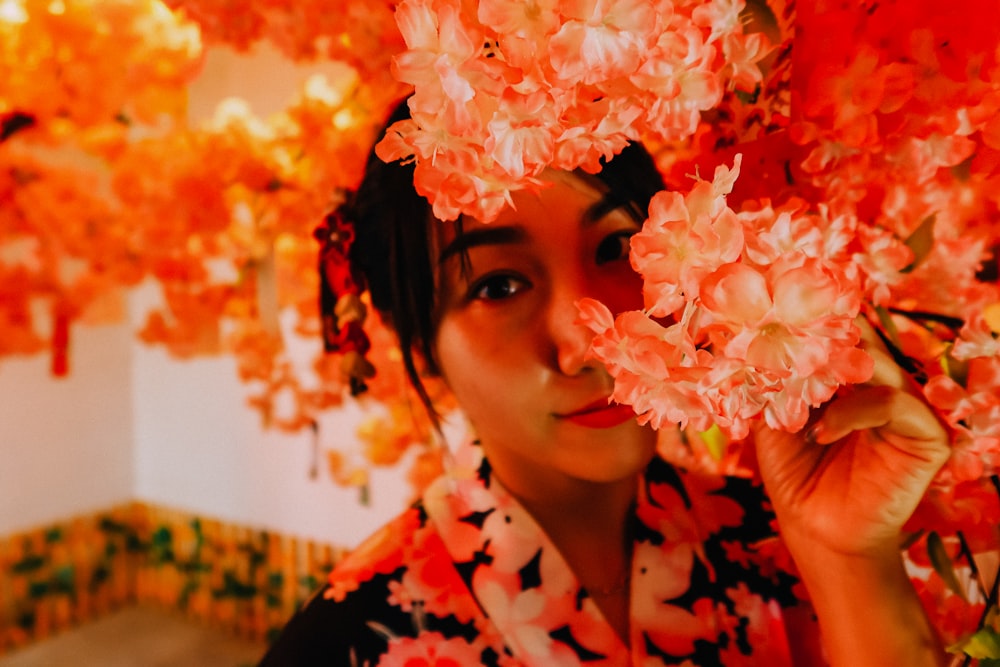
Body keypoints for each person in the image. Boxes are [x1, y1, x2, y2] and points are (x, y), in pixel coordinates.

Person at [258, 100, 951, 666]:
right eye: (500, 285)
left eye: (617, 249)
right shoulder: (348, 641)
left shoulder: (785, 541)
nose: (594, 341)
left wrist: (849, 558)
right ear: (421, 345)